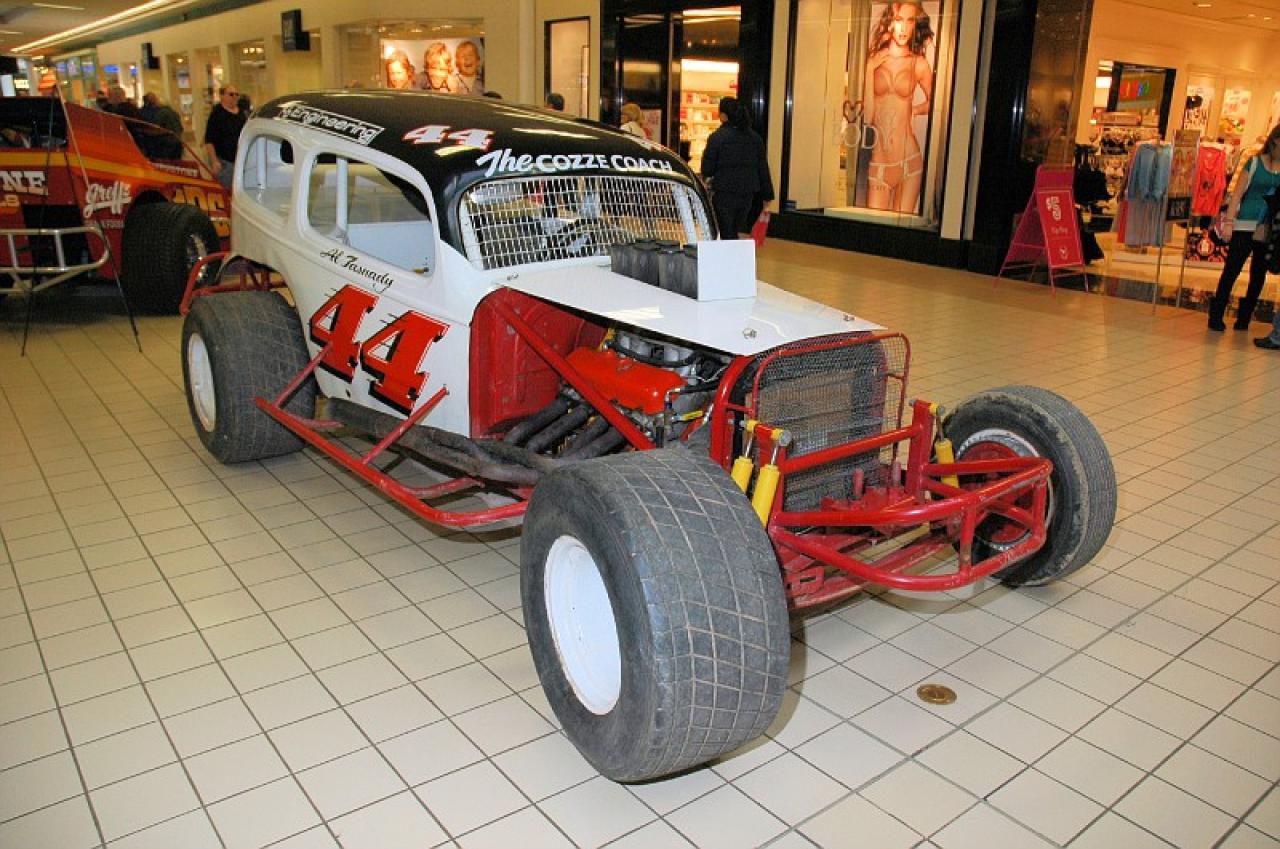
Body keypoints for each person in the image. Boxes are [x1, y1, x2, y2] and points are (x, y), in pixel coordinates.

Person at [861, 0, 934, 213]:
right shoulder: (874, 61)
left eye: (910, 21)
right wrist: (869, 70)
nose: (903, 28)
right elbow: (868, 117)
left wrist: (915, 110)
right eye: (899, 19)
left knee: (901, 232)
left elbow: (936, 103)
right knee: (874, 228)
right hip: (879, 163)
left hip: (909, 160)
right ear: (890, 22)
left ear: (915, 25)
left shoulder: (919, 63)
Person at [1207, 123, 1280, 331]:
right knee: (1232, 269)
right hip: (1244, 224)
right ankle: (1216, 313)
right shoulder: (1254, 162)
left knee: (1259, 274)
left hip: (1268, 228)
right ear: (1274, 141)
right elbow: (1237, 194)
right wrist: (1229, 222)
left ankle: (1244, 317)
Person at [701, 96, 774, 237]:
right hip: (747, 193)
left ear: (724, 115)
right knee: (735, 227)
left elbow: (707, 169)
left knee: (726, 229)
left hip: (724, 191)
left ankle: (730, 249)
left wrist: (706, 179)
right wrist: (767, 194)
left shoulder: (717, 137)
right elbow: (762, 167)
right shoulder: (755, 138)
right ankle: (733, 247)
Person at [203, 84, 246, 191]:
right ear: (222, 96)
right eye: (231, 94)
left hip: (239, 161)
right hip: (224, 162)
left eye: (236, 94)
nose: (234, 97)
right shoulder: (217, 114)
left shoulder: (241, 113)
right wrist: (214, 161)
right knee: (226, 191)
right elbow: (209, 140)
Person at [139, 92, 184, 159]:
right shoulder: (172, 112)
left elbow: (155, 129)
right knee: (176, 162)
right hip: (176, 142)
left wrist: (142, 131)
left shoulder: (159, 113)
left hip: (165, 144)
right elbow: (180, 128)